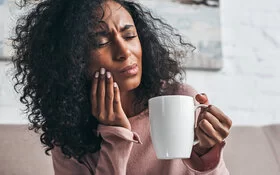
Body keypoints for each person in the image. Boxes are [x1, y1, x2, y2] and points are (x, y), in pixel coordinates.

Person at [11, 0, 232, 174]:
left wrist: (206, 152)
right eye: (101, 42)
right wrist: (115, 138)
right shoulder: (67, 134)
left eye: (129, 36)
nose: (124, 52)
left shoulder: (181, 98)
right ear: (72, 59)